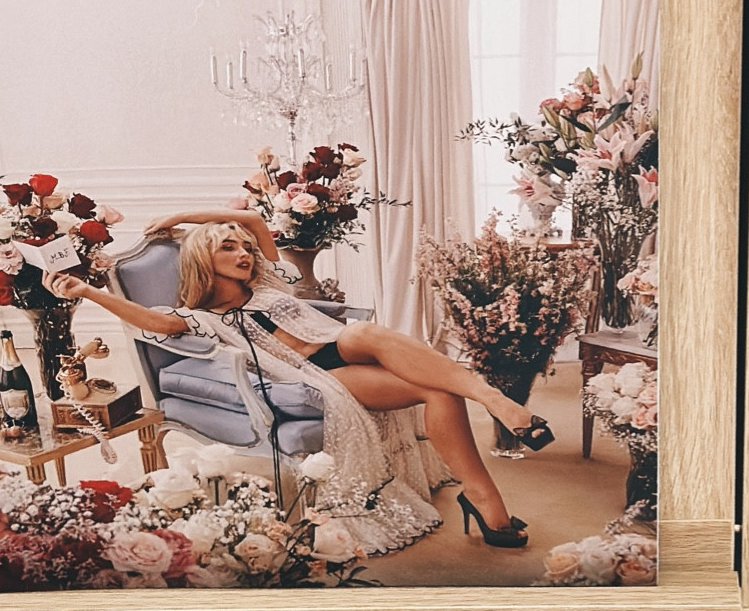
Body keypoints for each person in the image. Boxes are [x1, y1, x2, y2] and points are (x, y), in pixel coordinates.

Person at [50, 207, 551, 551]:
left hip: (340, 343)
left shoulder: (266, 281)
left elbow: (250, 219)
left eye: (246, 248)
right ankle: (485, 488)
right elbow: (151, 322)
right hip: (323, 375)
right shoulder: (201, 316)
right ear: (205, 260)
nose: (245, 253)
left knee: (368, 330)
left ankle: (496, 413)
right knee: (435, 389)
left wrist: (183, 217)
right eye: (230, 249)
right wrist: (89, 292)